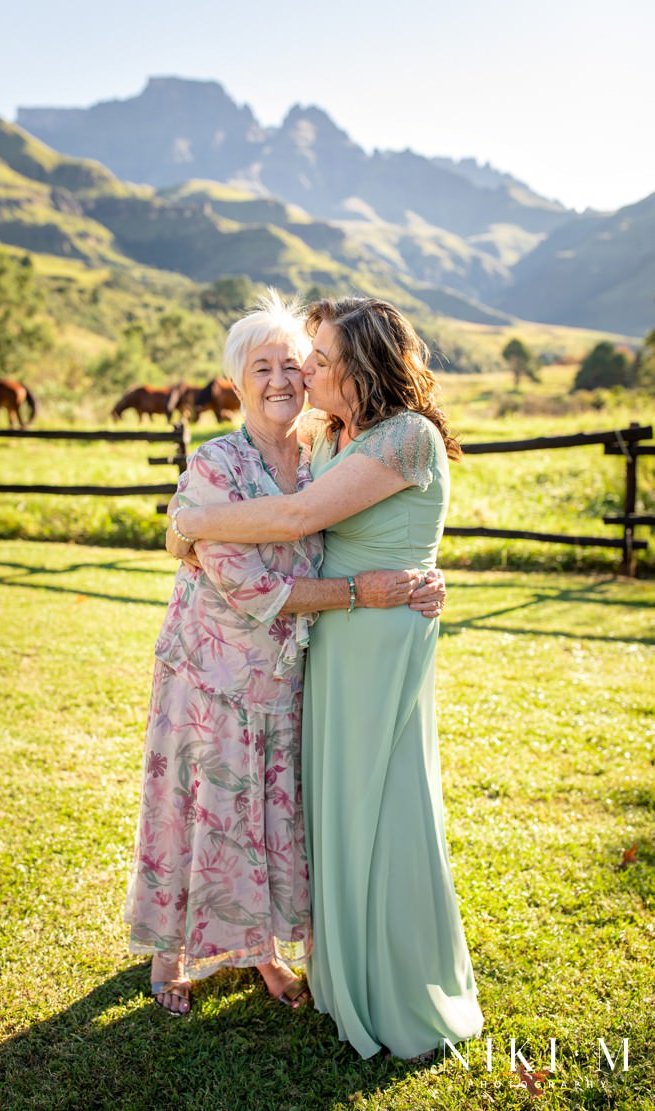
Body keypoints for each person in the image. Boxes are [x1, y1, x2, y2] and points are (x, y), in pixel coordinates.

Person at [167, 295, 483, 1058]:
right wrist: (190, 515)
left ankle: (395, 978)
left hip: (375, 634)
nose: (304, 369)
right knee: (335, 805)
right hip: (331, 640)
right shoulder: (337, 432)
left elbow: (295, 517)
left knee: (386, 802)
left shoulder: (407, 436)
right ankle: (339, 970)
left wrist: (190, 521)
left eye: (318, 357)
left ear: (358, 367)